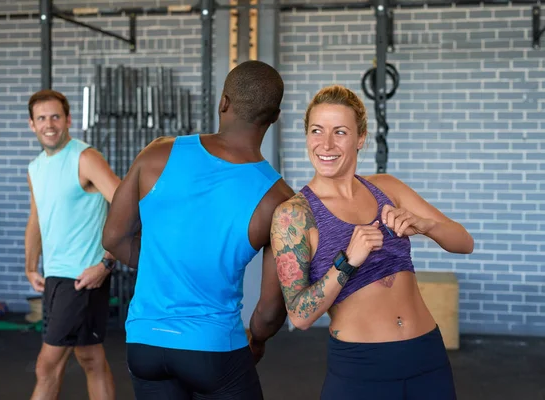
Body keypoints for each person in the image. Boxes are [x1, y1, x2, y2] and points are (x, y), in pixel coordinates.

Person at [102, 60, 294, 399]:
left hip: (145, 342)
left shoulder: (156, 154)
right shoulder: (279, 199)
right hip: (214, 349)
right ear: (275, 117)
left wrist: (169, 263)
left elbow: (114, 239)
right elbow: (268, 309)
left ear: (223, 103)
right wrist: (258, 341)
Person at [270, 85, 474, 400]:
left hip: (427, 356)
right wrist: (348, 261)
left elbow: (464, 242)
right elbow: (299, 315)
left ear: (360, 138)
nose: (326, 144)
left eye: (340, 132)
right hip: (361, 366)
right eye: (316, 131)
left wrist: (426, 225)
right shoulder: (294, 215)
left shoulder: (387, 187)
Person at [24, 89, 120, 400]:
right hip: (56, 275)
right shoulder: (35, 168)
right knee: (90, 357)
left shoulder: (85, 157)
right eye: (42, 118)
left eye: (55, 116)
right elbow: (36, 218)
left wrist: (106, 263)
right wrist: (30, 265)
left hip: (82, 276)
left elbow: (126, 207)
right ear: (32, 124)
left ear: (68, 120)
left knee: (47, 365)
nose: (48, 124)